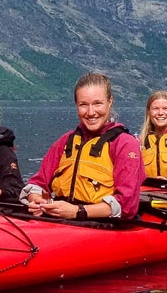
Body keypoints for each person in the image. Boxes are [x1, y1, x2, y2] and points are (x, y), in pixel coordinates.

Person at [21, 72, 145, 220]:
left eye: (97, 103)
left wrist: (77, 211)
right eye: (83, 105)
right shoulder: (66, 140)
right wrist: (35, 198)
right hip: (60, 218)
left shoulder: (125, 143)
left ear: (110, 101)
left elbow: (126, 204)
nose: (91, 112)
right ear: (76, 105)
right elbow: (38, 182)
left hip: (102, 224)